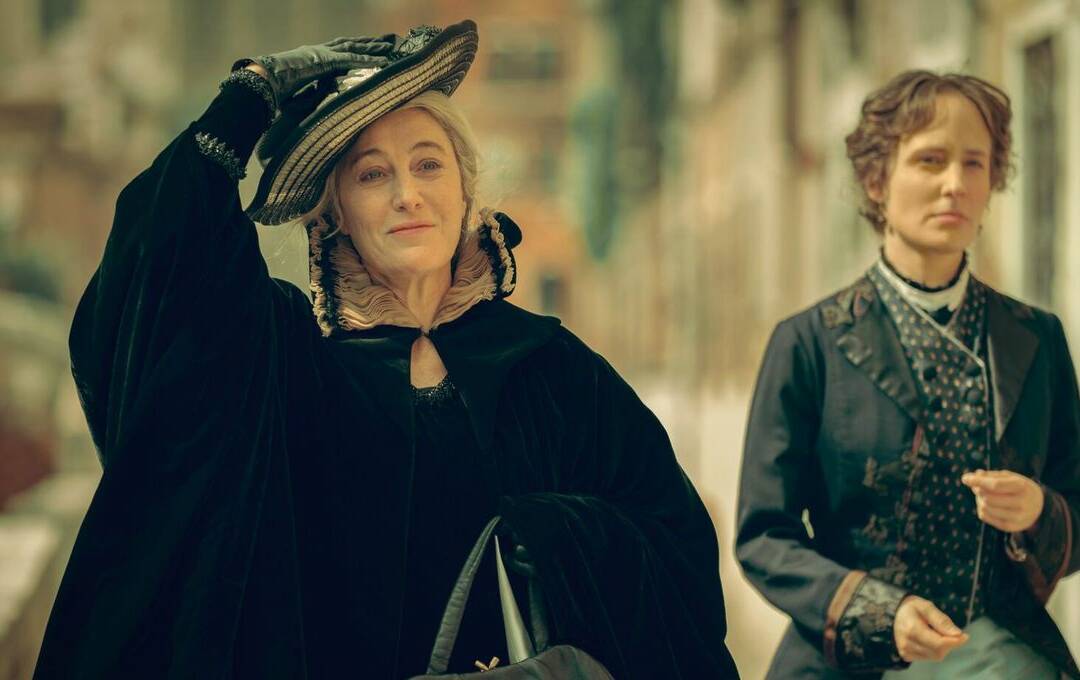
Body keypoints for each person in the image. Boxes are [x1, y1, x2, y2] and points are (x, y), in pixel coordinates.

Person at [33, 20, 739, 679]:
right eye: (372, 174)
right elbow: (155, 279)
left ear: (465, 190)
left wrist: (561, 536)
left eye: (428, 165)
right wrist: (248, 97)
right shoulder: (288, 373)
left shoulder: (557, 372)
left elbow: (675, 557)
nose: (407, 195)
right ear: (338, 211)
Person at [736, 70, 1080, 679]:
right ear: (876, 180)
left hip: (1003, 656)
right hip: (853, 661)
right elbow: (764, 537)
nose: (955, 185)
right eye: (930, 160)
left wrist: (1038, 510)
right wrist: (876, 611)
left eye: (975, 164)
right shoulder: (810, 343)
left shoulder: (1037, 338)